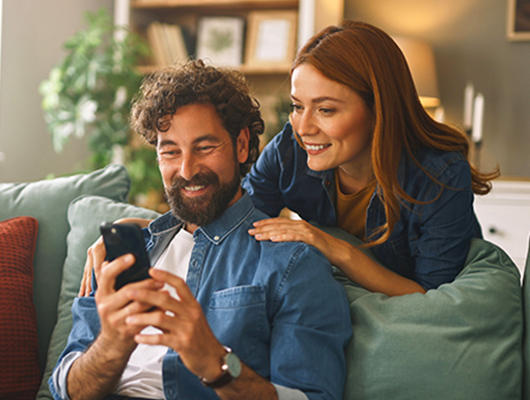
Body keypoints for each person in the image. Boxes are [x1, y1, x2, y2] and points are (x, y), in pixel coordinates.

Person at [80, 20, 499, 298]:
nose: (304, 126)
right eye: (298, 106)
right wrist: (144, 228)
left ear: (378, 109)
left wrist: (333, 247)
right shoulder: (290, 150)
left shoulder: (439, 175)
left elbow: (433, 298)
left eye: (327, 109)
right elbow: (232, 214)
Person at [50, 60, 352, 400]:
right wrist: (112, 342)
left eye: (205, 148)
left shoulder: (291, 263)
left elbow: (313, 396)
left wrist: (216, 363)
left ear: (241, 146)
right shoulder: (123, 254)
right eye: (170, 152)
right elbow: (66, 388)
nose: (187, 169)